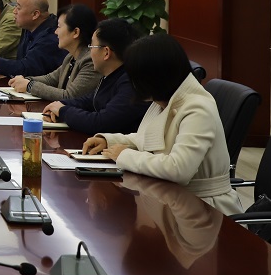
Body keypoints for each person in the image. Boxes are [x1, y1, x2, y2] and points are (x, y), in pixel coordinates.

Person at [81, 33, 242, 214]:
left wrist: (124, 155)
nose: (132, 84)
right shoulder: (165, 100)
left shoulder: (198, 108)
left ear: (153, 76)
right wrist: (109, 141)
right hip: (172, 198)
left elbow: (179, 169)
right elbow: (147, 138)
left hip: (205, 209)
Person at [43, 18, 148, 135]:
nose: (90, 52)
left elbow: (101, 123)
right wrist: (59, 106)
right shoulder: (112, 75)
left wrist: (63, 111)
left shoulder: (131, 82)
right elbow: (90, 101)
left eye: (92, 46)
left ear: (106, 52)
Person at [8, 4, 100, 101]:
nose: (55, 32)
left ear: (76, 32)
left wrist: (29, 85)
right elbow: (51, 79)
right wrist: (25, 80)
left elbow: (69, 96)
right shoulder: (70, 57)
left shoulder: (90, 61)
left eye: (59, 27)